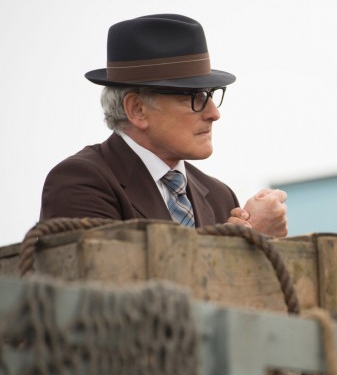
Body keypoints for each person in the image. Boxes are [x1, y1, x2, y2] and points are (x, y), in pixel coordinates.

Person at [40, 14, 287, 237]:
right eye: (195, 97)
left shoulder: (219, 196)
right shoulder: (80, 182)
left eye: (210, 94)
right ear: (137, 109)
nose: (214, 113)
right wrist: (247, 238)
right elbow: (110, 274)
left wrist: (262, 243)